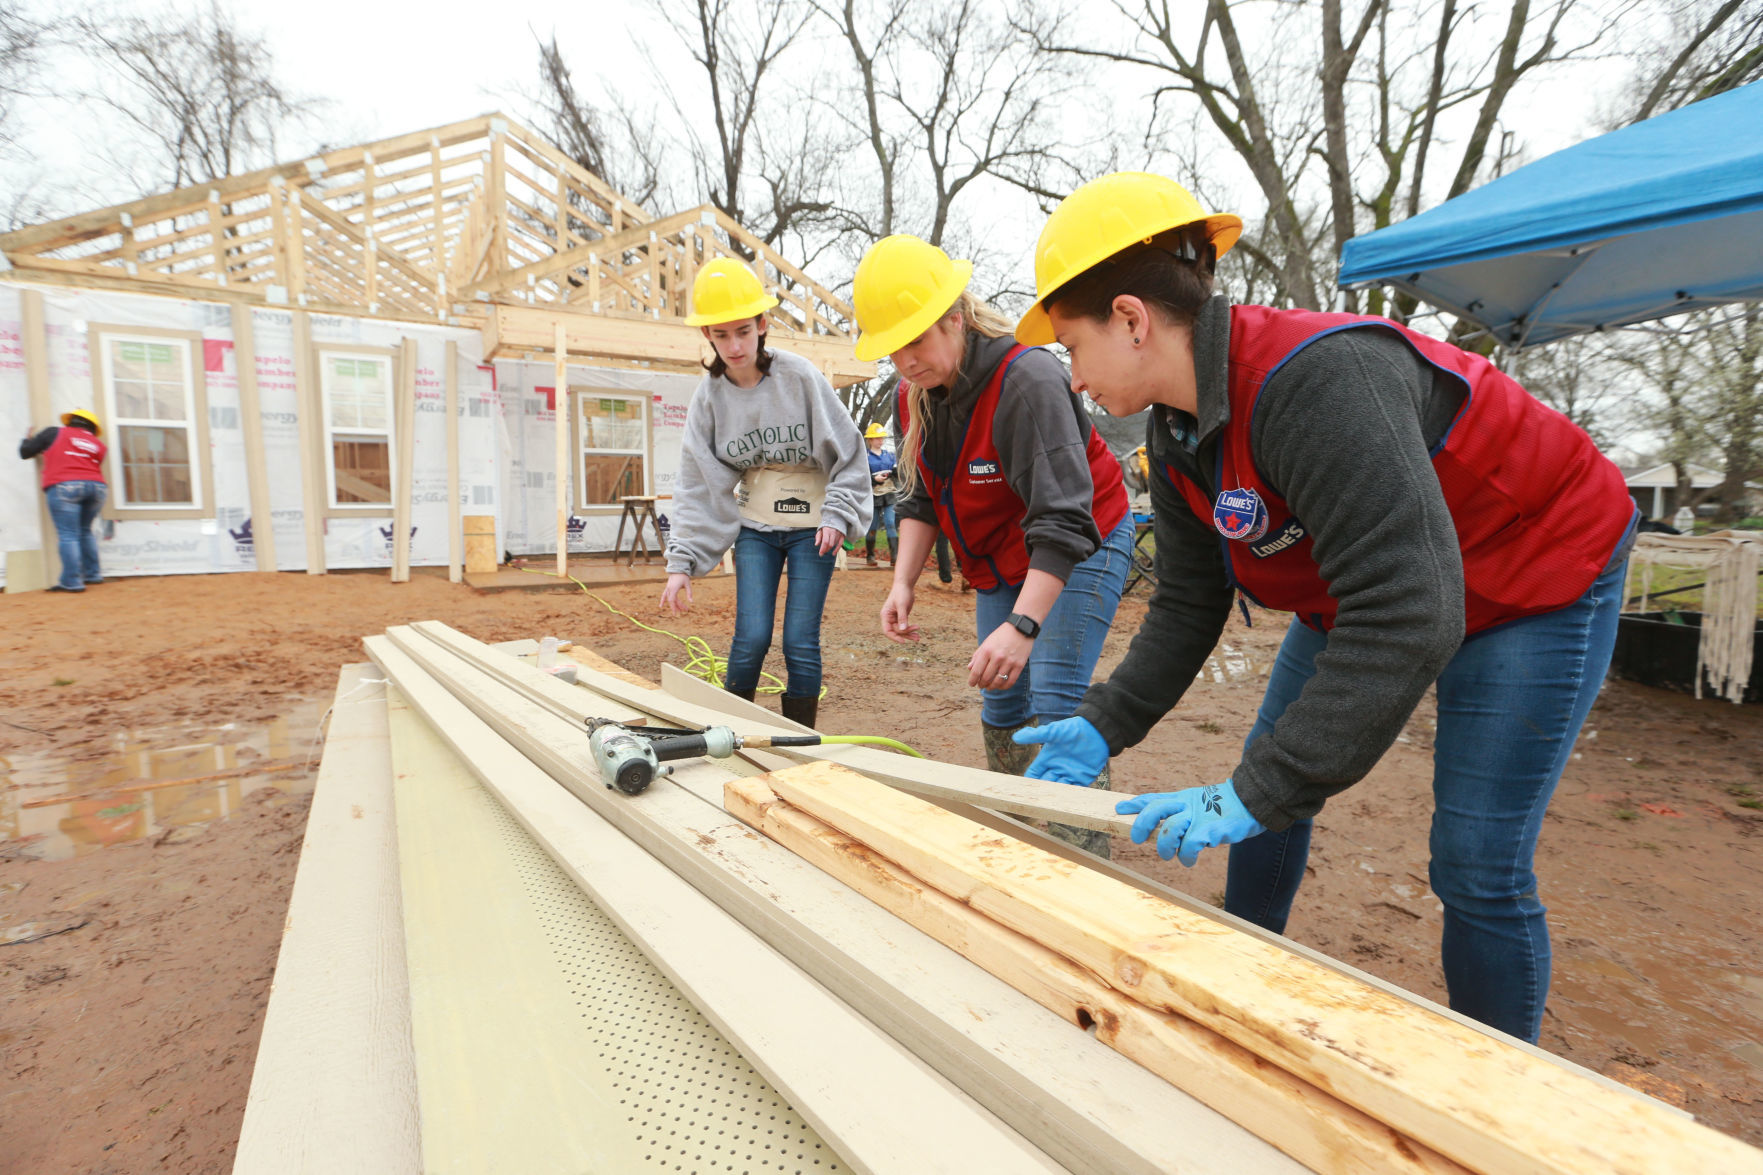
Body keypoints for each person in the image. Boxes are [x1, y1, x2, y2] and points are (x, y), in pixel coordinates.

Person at [1012, 172, 1638, 1042]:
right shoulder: (1177, 427)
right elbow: (1192, 597)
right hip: (1377, 586)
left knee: (1472, 859)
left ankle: (1501, 1088)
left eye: (1071, 346)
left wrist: (1267, 782)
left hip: (1533, 569)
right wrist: (1105, 720)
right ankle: (1238, 983)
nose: (1072, 376)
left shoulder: (1317, 380)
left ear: (1129, 318)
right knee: (1269, 785)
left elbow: (1410, 612)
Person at [852, 233, 1134, 856]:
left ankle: (1081, 863)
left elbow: (1064, 519)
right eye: (893, 349)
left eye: (918, 340)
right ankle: (1023, 836)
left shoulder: (1027, 378)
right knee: (1003, 701)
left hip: (1081, 542)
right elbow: (922, 495)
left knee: (1056, 704)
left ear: (954, 317)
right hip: (1005, 557)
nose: (907, 361)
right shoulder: (915, 394)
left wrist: (1024, 625)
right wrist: (902, 581)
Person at [660, 258, 871, 729]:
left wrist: (838, 514)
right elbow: (698, 481)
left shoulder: (799, 378)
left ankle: (798, 742)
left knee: (799, 638)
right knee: (751, 635)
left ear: (762, 326)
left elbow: (849, 451)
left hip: (812, 527)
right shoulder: (709, 397)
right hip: (755, 527)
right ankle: (733, 735)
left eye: (742, 331)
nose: (733, 346)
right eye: (721, 335)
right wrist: (682, 561)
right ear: (708, 337)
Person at [18, 408, 109, 593]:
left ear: (70, 421)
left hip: (65, 485)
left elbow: (26, 452)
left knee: (68, 534)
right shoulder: (99, 445)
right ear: (93, 428)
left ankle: (72, 582)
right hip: (97, 488)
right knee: (85, 531)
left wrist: (27, 440)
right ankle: (93, 574)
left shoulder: (53, 432)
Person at [862, 422, 899, 565]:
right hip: (873, 495)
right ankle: (870, 556)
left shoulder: (889, 455)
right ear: (870, 440)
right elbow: (861, 475)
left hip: (889, 494)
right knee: (872, 525)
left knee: (890, 523)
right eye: (877, 438)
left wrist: (895, 473)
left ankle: (895, 557)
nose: (881, 441)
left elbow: (896, 473)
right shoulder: (865, 456)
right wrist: (873, 479)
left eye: (882, 438)